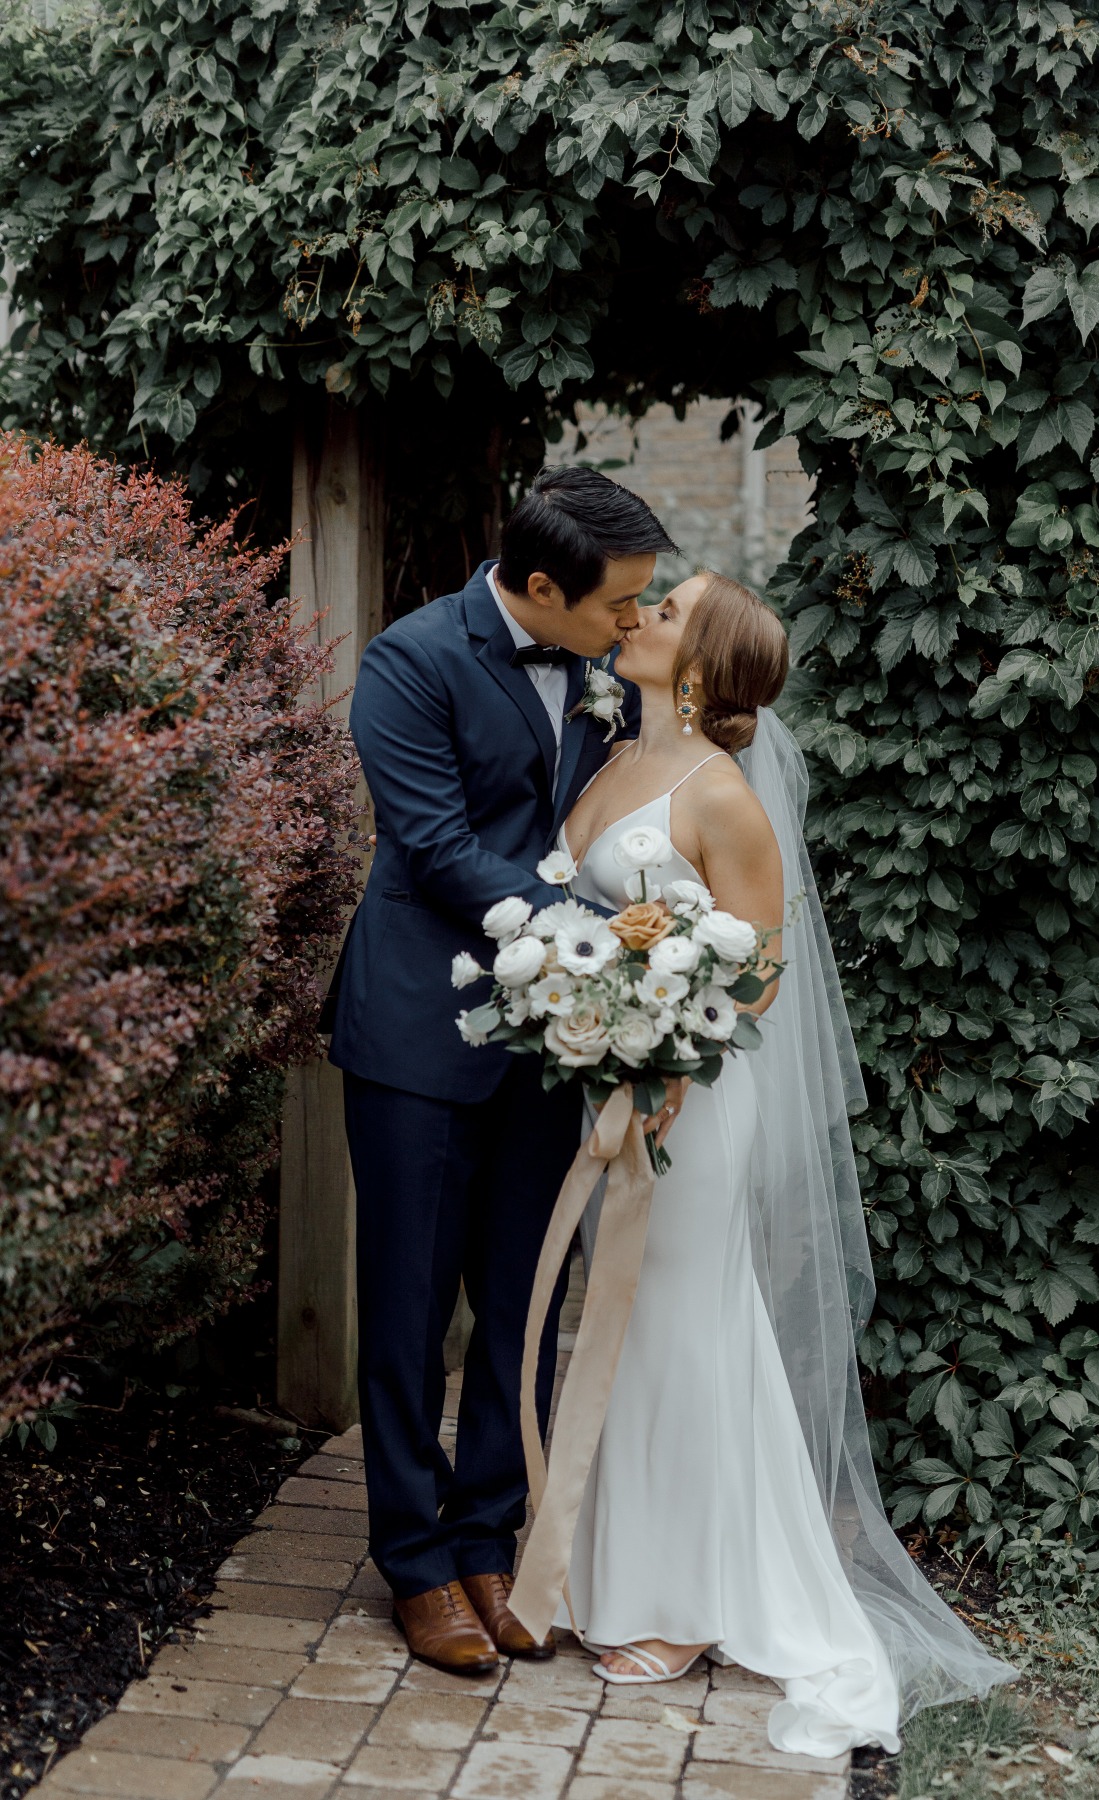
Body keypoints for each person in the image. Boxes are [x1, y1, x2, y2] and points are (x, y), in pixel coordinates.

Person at [551, 570, 1015, 1754]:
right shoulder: (611, 762)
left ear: (700, 667)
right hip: (617, 1084)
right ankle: (612, 1573)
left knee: (684, 1320)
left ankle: (695, 1603)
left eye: (665, 611)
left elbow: (759, 970)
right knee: (621, 1317)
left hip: (694, 1097)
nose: (638, 616)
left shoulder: (722, 795)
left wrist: (664, 1058)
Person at [321, 466, 677, 1675]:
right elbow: (433, 849)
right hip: (424, 1029)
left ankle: (488, 1537)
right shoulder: (410, 662)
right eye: (619, 606)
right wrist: (594, 938)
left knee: (526, 1302)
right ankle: (414, 1563)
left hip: (557, 1043)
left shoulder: (604, 677)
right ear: (539, 587)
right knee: (412, 1311)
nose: (634, 624)